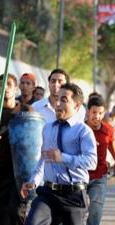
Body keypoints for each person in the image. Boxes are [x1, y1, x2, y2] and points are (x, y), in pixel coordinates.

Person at [21, 83, 97, 225]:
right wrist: (34, 181)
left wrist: (63, 158)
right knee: (32, 222)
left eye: (64, 100)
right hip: (48, 193)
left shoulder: (83, 131)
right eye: (57, 99)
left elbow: (92, 161)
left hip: (73, 195)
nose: (58, 104)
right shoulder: (48, 128)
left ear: (77, 105)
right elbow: (43, 159)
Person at [0, 73, 28, 225]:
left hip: (19, 174)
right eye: (1, 85)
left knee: (17, 214)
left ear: (16, 89)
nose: (5, 88)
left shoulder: (26, 111)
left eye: (9, 84)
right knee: (1, 217)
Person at [85, 96, 115, 225]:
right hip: (79, 176)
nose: (97, 116)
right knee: (75, 212)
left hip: (99, 177)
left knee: (96, 210)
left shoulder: (108, 130)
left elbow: (113, 150)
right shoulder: (80, 128)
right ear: (88, 112)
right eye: (94, 113)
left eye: (100, 113)